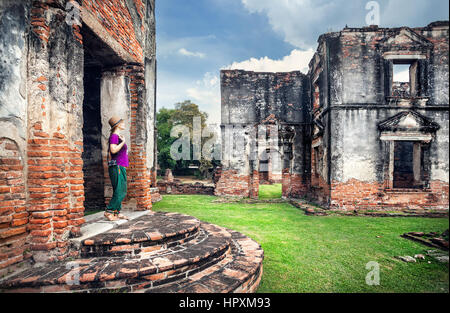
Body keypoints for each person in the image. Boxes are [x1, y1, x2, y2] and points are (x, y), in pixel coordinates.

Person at [105, 116, 130, 221]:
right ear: (118, 125)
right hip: (117, 166)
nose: (124, 124)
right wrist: (123, 143)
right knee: (120, 191)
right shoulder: (114, 136)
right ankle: (109, 211)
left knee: (119, 190)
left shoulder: (118, 136)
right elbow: (113, 150)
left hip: (120, 166)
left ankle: (117, 212)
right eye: (122, 122)